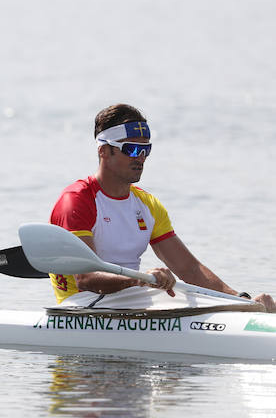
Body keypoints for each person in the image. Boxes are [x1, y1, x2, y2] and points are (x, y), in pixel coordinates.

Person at [49, 103, 275, 311]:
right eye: (132, 150)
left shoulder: (148, 205)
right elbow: (86, 279)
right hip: (82, 302)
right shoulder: (77, 200)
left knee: (207, 298)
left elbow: (189, 269)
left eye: (146, 150)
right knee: (183, 298)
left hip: (133, 297)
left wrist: (242, 299)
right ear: (104, 151)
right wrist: (138, 278)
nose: (141, 158)